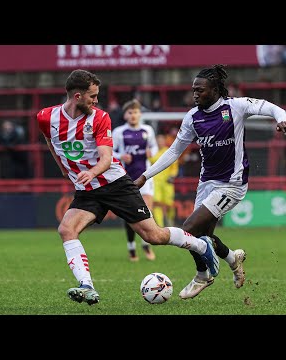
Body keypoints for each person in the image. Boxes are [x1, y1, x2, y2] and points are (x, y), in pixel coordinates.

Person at [37, 69, 219, 306]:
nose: (96, 100)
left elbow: (105, 159)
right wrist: (63, 167)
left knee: (153, 235)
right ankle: (87, 286)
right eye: (93, 96)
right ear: (77, 96)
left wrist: (90, 172)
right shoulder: (45, 117)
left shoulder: (99, 118)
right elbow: (50, 140)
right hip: (88, 190)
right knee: (66, 229)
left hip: (115, 185)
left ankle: (200, 245)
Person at [134, 64, 286, 299]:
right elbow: (173, 152)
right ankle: (233, 258)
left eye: (200, 90)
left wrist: (282, 119)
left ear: (216, 90)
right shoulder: (192, 117)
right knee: (201, 238)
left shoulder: (236, 107)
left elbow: (270, 107)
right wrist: (145, 176)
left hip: (233, 183)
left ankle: (203, 275)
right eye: (193, 90)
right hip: (207, 183)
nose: (195, 94)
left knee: (188, 229)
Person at [112, 99, 158, 262]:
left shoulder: (147, 130)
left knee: (147, 211)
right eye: (130, 112)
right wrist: (121, 156)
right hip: (126, 177)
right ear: (125, 115)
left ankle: (146, 243)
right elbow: (110, 152)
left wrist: (151, 152)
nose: (133, 115)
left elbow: (154, 147)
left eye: (136, 112)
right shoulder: (119, 132)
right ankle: (131, 246)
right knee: (130, 214)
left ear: (140, 114)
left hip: (145, 176)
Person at [150, 133, 179, 227]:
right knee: (157, 203)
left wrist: (172, 176)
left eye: (161, 141)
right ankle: (160, 225)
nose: (160, 143)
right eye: (158, 141)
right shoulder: (152, 153)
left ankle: (170, 221)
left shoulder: (169, 152)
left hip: (167, 182)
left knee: (169, 204)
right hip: (155, 182)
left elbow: (174, 167)